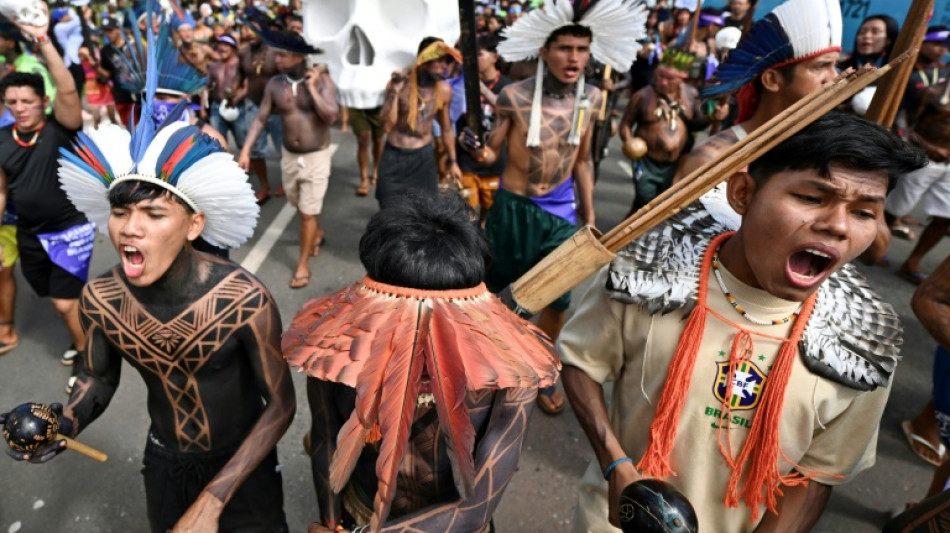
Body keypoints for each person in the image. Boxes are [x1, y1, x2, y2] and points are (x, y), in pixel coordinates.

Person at [559, 112, 927, 532]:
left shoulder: (863, 346)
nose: (838, 226)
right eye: (812, 198)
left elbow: (815, 476)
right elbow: (581, 361)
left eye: (863, 212)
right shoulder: (645, 276)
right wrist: (615, 464)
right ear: (742, 193)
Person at [0, 38, 295, 530]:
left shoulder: (244, 300)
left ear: (194, 224)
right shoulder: (101, 299)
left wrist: (214, 498)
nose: (130, 229)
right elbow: (98, 376)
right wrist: (66, 420)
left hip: (242, 465)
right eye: (120, 213)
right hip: (165, 464)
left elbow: (282, 405)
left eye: (154, 214)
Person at [283, 192, 560, 533]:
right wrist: (330, 522)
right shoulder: (336, 348)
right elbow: (325, 438)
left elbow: (475, 510)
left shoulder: (513, 369)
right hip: (361, 512)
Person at [461, 0, 646, 414]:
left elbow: (583, 161)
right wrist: (472, 146)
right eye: (565, 48)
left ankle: (540, 367)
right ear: (544, 51)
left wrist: (590, 218)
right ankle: (486, 362)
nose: (574, 58)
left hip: (561, 214)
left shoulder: (592, 98)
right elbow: (490, 155)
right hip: (513, 210)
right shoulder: (513, 96)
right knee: (495, 292)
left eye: (582, 49)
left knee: (557, 302)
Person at [0, 10, 90, 387]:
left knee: (63, 303)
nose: (20, 108)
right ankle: (84, 325)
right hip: (30, 234)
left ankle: (89, 362)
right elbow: (1, 190)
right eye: (12, 102)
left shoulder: (60, 128)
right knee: (51, 294)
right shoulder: (3, 140)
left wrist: (42, 40)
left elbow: (67, 90)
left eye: (27, 101)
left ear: (43, 101)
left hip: (69, 229)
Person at [674, 0, 841, 184]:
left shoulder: (822, 153)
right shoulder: (711, 162)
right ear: (772, 80)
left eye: (835, 65)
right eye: (821, 66)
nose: (834, 77)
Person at [237, 27, 338, 290]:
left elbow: (331, 116)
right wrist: (245, 150)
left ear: (299, 56)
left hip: (316, 157)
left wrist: (312, 88)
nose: (277, 60)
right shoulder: (275, 84)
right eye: (276, 55)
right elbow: (260, 118)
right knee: (298, 204)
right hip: (289, 157)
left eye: (282, 55)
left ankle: (303, 264)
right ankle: (316, 230)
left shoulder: (322, 81)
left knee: (306, 213)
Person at [883, 28, 950, 284]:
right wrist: (927, 147)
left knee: (945, 217)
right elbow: (904, 124)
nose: (941, 50)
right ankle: (874, 246)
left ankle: (913, 262)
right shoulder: (932, 90)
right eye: (938, 45)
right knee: (895, 208)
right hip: (926, 159)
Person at [618, 48, 713, 213]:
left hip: (675, 163)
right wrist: (629, 141)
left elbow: (698, 124)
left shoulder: (691, 95)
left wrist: (713, 116)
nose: (663, 82)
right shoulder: (642, 96)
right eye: (660, 76)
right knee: (645, 199)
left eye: (669, 79)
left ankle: (634, 227)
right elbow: (625, 124)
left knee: (662, 205)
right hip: (646, 162)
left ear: (680, 80)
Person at [376, 38, 463, 209]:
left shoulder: (443, 90)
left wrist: (453, 162)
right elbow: (387, 125)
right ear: (424, 60)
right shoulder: (400, 85)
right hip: (394, 156)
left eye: (446, 61)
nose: (444, 66)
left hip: (423, 158)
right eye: (438, 60)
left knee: (425, 210)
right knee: (389, 209)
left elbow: (446, 128)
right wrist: (394, 92)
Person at [456, 34, 512, 224]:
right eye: (470, 55)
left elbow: (512, 113)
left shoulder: (507, 87)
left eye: (479, 54)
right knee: (466, 215)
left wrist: (483, 90)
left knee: (490, 214)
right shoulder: (461, 83)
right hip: (466, 159)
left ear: (495, 57)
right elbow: (451, 119)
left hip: (495, 163)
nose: (473, 60)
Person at [236, 16, 283, 202]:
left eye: (253, 29)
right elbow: (240, 77)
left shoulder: (277, 51)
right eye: (245, 29)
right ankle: (265, 186)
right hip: (254, 106)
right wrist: (234, 92)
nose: (248, 33)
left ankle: (287, 181)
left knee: (284, 150)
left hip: (278, 109)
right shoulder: (243, 52)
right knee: (255, 150)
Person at [206, 34, 243, 146]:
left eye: (226, 45)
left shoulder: (240, 64)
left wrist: (238, 96)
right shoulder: (214, 66)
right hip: (216, 107)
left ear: (233, 48)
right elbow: (207, 87)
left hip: (237, 106)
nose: (222, 48)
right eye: (220, 45)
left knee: (243, 140)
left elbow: (248, 85)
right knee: (218, 142)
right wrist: (204, 107)